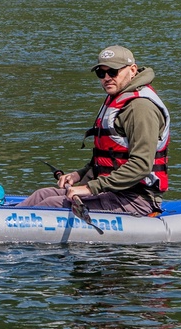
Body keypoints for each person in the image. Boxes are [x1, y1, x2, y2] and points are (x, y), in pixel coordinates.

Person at [18, 45, 170, 216]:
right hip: (113, 191)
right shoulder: (117, 98)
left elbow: (141, 165)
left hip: (137, 200)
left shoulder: (140, 108)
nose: (106, 78)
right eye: (101, 73)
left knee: (51, 204)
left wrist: (90, 188)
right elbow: (110, 159)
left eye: (113, 72)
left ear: (133, 70)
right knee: (42, 194)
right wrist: (79, 175)